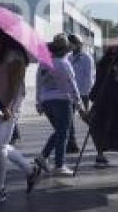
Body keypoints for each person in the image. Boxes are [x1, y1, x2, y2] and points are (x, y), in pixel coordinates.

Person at [0, 26, 42, 204]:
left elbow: (15, 84)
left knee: (0, 147)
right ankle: (30, 171)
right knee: (1, 145)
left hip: (7, 105)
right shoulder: (1, 54)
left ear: (4, 37)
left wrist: (7, 107)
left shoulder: (15, 56)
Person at [35, 34, 84, 177]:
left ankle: (43, 157)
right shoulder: (64, 63)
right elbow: (72, 85)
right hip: (62, 100)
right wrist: (79, 104)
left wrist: (38, 101)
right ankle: (59, 164)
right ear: (64, 50)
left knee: (60, 131)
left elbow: (38, 82)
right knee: (63, 132)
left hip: (46, 100)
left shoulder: (44, 63)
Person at [66, 34, 94, 153]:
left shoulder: (86, 58)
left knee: (85, 117)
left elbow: (89, 76)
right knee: (69, 119)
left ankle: (99, 133)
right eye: (70, 43)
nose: (72, 45)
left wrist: (86, 93)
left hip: (83, 93)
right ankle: (72, 143)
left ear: (79, 44)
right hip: (70, 93)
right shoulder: (69, 57)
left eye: (74, 42)